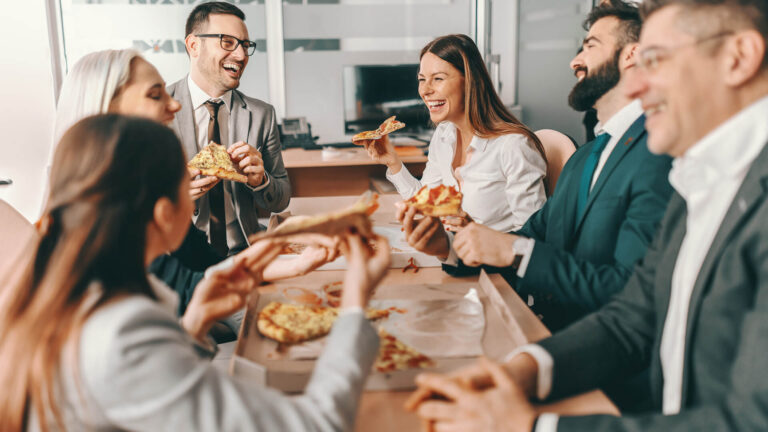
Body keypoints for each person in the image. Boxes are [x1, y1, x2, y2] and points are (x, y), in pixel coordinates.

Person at [408, 0, 768, 430]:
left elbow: (750, 421)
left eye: (655, 60)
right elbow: (633, 319)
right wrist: (523, 370)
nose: (636, 86)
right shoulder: (700, 176)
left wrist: (536, 426)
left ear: (738, 57)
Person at [0, 114, 390, 431]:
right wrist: (355, 303)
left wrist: (195, 323)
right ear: (164, 213)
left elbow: (146, 397)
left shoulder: (70, 289)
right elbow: (316, 424)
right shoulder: (124, 330)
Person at [53, 49, 334, 322]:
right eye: (155, 95)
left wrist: (292, 261)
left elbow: (205, 265)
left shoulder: (140, 186)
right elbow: (186, 290)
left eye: (245, 45)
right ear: (106, 111)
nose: (175, 105)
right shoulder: (102, 217)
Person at [450, 0, 673, 332]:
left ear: (632, 54)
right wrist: (450, 247)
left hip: (592, 346)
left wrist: (516, 252)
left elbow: (627, 290)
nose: (575, 61)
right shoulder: (584, 156)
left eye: (590, 46)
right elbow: (531, 238)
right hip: (543, 330)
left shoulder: (657, 155)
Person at [361, 34, 547, 236]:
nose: (425, 90)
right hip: (453, 250)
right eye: (422, 80)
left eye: (438, 79)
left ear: (470, 82)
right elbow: (425, 204)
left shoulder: (513, 145)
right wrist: (393, 163)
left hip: (491, 256)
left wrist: (475, 233)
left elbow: (534, 238)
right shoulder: (444, 134)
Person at [168, 1, 290, 258]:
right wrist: (172, 197)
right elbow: (126, 204)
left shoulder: (262, 114)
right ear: (194, 45)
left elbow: (281, 199)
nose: (241, 55)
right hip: (177, 258)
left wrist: (261, 180)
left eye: (245, 45)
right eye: (227, 42)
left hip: (243, 254)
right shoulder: (158, 110)